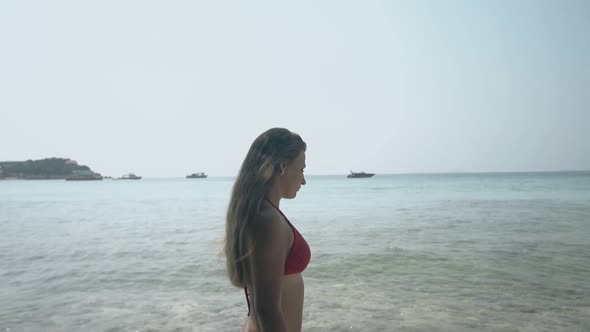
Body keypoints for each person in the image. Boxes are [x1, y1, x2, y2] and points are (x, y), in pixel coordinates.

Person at [225, 128, 310, 332]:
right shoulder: (268, 222)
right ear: (282, 166)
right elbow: (267, 309)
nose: (304, 180)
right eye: (301, 170)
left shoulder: (264, 215)